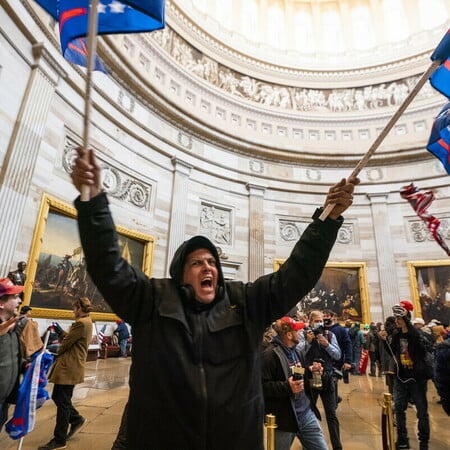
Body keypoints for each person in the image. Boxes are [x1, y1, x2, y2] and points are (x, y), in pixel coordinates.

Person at [70, 147, 358, 449]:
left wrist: (327, 220)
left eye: (211, 262)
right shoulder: (153, 300)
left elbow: (295, 274)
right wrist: (93, 203)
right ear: (181, 274)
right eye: (196, 262)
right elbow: (109, 266)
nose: (207, 266)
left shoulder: (245, 302)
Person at [262, 317, 328, 450]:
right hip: (285, 418)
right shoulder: (269, 355)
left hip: (306, 413)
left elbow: (299, 371)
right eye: (297, 330)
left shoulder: (297, 351)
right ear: (289, 334)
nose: (301, 333)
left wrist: (310, 370)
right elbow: (262, 387)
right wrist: (287, 386)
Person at [38, 297, 93, 450]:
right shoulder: (87, 321)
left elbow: (65, 346)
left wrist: (54, 348)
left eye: (75, 308)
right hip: (72, 365)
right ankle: (76, 419)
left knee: (62, 403)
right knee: (59, 397)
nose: (73, 311)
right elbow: (72, 339)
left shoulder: (81, 323)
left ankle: (59, 440)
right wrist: (61, 332)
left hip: (69, 366)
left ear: (80, 309)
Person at [380, 300, 432, 450]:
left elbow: (423, 348)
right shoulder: (397, 334)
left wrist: (407, 323)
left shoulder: (416, 334)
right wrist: (384, 341)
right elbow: (392, 352)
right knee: (399, 409)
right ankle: (402, 438)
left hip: (417, 378)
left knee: (422, 411)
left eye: (399, 318)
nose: (396, 321)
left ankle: (424, 442)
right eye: (396, 318)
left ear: (406, 319)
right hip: (401, 377)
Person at [297, 310, 343, 450]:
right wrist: (309, 343)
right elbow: (298, 354)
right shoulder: (303, 335)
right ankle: (309, 444)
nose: (319, 323)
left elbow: (337, 355)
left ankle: (337, 446)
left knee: (331, 414)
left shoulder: (329, 335)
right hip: (310, 378)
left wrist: (326, 345)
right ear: (310, 322)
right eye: (316, 320)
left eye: (321, 320)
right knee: (308, 412)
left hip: (327, 377)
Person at [0, 278, 23, 432]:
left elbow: (11, 355)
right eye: (14, 297)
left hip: (5, 396)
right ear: (1, 303)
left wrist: (26, 363)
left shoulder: (13, 326)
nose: (19, 301)